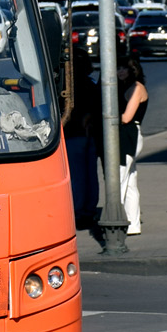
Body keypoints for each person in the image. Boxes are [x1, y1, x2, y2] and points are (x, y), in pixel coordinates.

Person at [62, 47, 102, 235]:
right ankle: (89, 209)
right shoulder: (91, 84)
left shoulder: (66, 87)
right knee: (89, 174)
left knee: (77, 176)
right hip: (89, 134)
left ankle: (79, 212)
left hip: (72, 134)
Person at [117, 55, 148, 236]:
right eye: (118, 67)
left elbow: (127, 117)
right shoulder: (125, 87)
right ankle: (133, 224)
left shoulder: (137, 88)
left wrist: (108, 116)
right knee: (130, 182)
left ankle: (117, 222)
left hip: (130, 135)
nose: (120, 71)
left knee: (119, 180)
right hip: (126, 135)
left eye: (124, 68)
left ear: (133, 70)